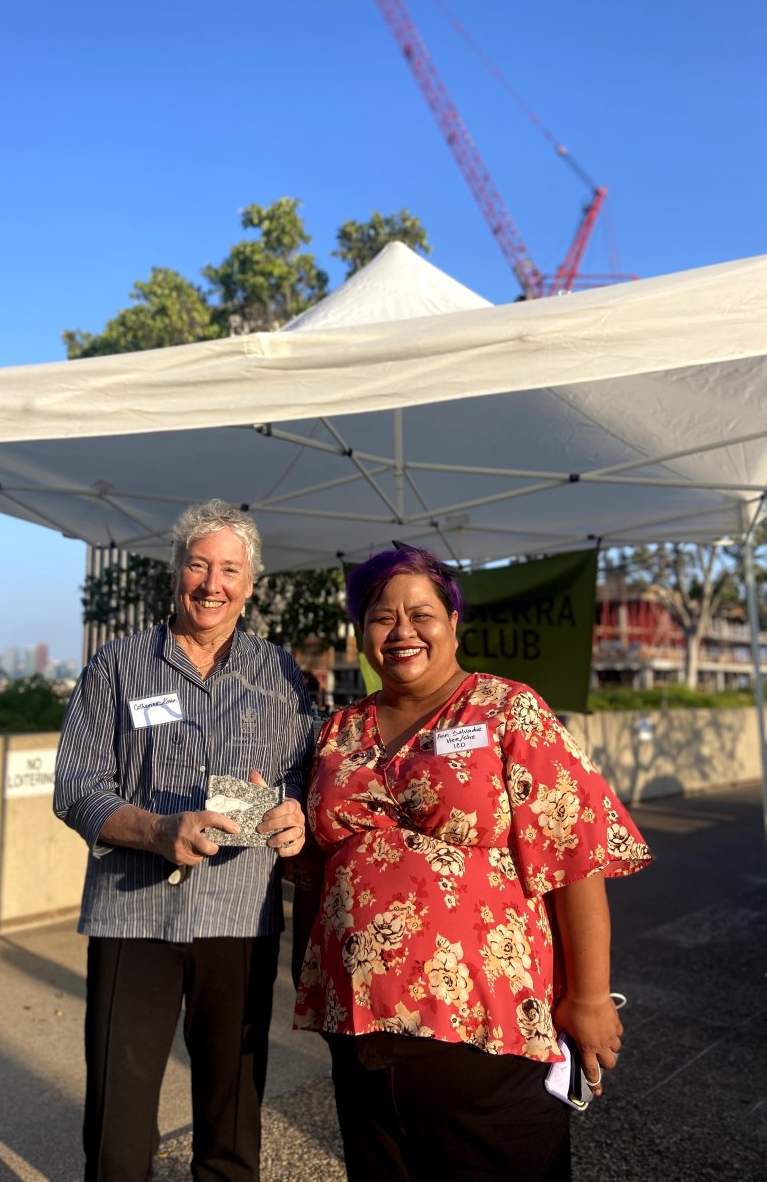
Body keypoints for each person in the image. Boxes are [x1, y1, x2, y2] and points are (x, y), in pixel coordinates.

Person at [293, 545, 652, 1181]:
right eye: (381, 616)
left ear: (454, 622)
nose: (402, 631)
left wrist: (592, 997)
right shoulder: (336, 732)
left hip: (489, 1037)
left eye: (421, 613)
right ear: (362, 632)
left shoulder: (509, 712)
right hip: (360, 1030)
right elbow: (318, 862)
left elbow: (576, 854)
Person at [55, 499, 312, 1182]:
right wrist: (157, 829)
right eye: (198, 564)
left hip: (239, 918)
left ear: (251, 584)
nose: (212, 583)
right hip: (131, 917)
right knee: (119, 1113)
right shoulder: (115, 667)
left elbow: (309, 783)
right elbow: (76, 787)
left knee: (231, 1119)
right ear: (175, 572)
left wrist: (295, 813)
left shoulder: (284, 677)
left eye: (230, 569)